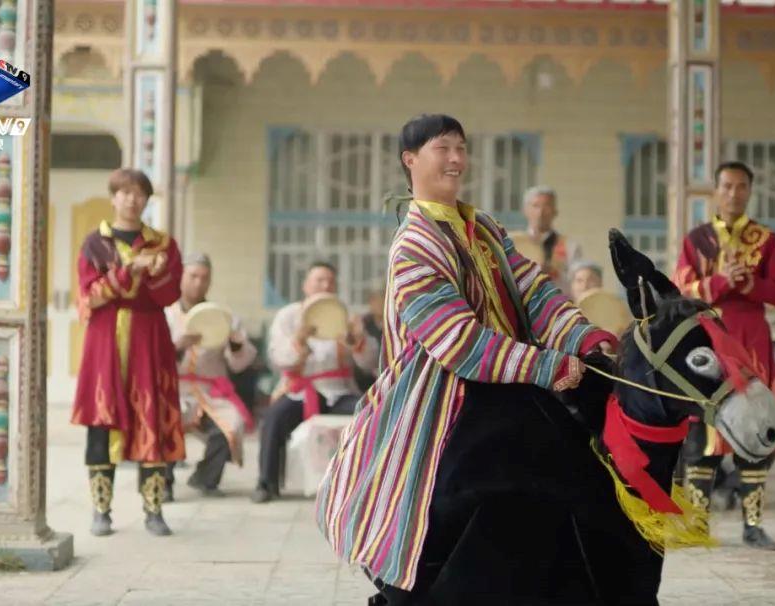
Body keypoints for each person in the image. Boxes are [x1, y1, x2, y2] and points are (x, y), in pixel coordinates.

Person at [315, 114, 617, 601]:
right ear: (410, 160)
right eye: (443, 148)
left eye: (461, 147)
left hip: (507, 379)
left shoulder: (484, 228)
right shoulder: (413, 245)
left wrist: (581, 337)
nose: (456, 158)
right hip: (439, 394)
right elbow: (459, 343)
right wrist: (548, 366)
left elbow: (534, 291)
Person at [672, 160, 775, 550]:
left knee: (756, 430)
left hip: (752, 346)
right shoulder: (697, 240)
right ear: (715, 191)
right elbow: (681, 290)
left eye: (741, 186)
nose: (733, 193)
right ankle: (696, 527)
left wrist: (751, 284)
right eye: (726, 186)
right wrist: (722, 281)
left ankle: (753, 527)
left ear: (750, 191)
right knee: (701, 436)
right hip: (710, 344)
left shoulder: (765, 239)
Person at [71, 168, 184, 537]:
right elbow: (90, 296)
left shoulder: (163, 244)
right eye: (125, 192)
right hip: (105, 341)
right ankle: (101, 509)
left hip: (149, 339)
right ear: (113, 197)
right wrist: (127, 272)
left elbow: (170, 295)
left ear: (147, 200)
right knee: (101, 421)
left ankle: (154, 509)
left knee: (152, 417)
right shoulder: (94, 244)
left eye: (139, 193)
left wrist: (155, 273)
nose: (132, 200)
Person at [252, 262, 379, 503]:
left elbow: (370, 361)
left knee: (369, 414)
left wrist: (357, 342)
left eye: (330, 281)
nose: (325, 285)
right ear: (306, 286)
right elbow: (277, 359)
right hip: (299, 390)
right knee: (273, 418)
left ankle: (364, 482)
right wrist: (299, 341)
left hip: (339, 390)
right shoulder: (289, 316)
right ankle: (266, 483)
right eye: (319, 280)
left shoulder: (347, 315)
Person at [164, 253, 257, 498]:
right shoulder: (165, 315)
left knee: (232, 424)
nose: (198, 283)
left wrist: (235, 345)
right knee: (164, 419)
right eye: (193, 276)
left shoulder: (223, 317)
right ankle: (163, 482)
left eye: (204, 278)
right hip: (174, 390)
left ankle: (205, 478)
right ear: (180, 277)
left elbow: (240, 364)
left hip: (211, 393)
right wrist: (177, 348)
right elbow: (151, 359)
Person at [511, 185, 582, 290]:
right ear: (525, 210)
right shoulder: (513, 243)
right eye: (535, 206)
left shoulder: (570, 246)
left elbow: (577, 283)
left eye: (546, 206)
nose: (540, 212)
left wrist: (555, 273)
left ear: (555, 211)